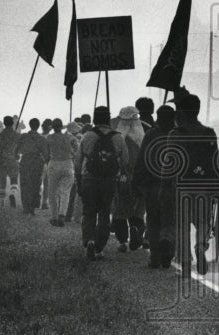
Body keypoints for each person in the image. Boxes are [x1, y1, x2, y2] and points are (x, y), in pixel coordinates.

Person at [159, 93, 219, 276]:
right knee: (203, 221)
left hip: (182, 186)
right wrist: (218, 187)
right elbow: (215, 162)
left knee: (182, 225)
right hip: (204, 186)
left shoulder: (175, 135)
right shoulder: (209, 133)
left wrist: (164, 186)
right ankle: (201, 246)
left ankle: (185, 265)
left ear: (182, 113)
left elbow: (169, 163)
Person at [75, 106, 126, 261]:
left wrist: (79, 180)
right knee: (104, 213)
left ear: (95, 119)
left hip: (89, 178)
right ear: (108, 119)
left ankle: (89, 240)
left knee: (89, 211)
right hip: (109, 180)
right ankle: (99, 247)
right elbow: (125, 161)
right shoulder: (118, 137)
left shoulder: (87, 136)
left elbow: (78, 162)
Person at [132, 104, 175, 268]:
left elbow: (142, 159)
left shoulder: (151, 134)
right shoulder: (179, 135)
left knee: (153, 220)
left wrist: (136, 183)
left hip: (152, 185)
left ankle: (155, 255)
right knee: (171, 220)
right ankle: (168, 245)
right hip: (173, 186)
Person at [111, 106, 146, 252]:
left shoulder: (117, 137)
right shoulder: (143, 135)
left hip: (121, 177)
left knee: (120, 210)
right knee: (138, 209)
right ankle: (135, 228)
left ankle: (123, 240)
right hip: (140, 178)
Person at [46, 118, 79, 227]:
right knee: (66, 192)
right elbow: (77, 149)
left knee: (52, 192)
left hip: (54, 163)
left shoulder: (49, 138)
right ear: (61, 127)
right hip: (67, 163)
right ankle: (62, 215)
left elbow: (45, 153)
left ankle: (54, 217)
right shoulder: (70, 137)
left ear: (53, 127)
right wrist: (72, 154)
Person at [15, 118, 49, 215]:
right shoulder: (42, 138)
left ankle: (26, 207)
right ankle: (33, 208)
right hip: (37, 162)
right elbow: (46, 154)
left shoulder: (24, 136)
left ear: (29, 125)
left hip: (25, 161)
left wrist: (16, 155)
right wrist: (44, 161)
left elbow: (17, 150)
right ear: (38, 126)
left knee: (25, 184)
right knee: (36, 184)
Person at [0, 115, 21, 208]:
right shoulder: (17, 135)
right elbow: (19, 149)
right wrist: (16, 154)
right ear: (12, 123)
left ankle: (1, 203)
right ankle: (12, 193)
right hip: (13, 160)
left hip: (2, 161)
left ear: (4, 124)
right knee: (14, 180)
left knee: (2, 182)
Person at [40, 118, 54, 210]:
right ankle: (44, 202)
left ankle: (36, 201)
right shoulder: (52, 138)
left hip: (38, 162)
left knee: (37, 183)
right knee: (47, 184)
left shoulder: (38, 136)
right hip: (48, 162)